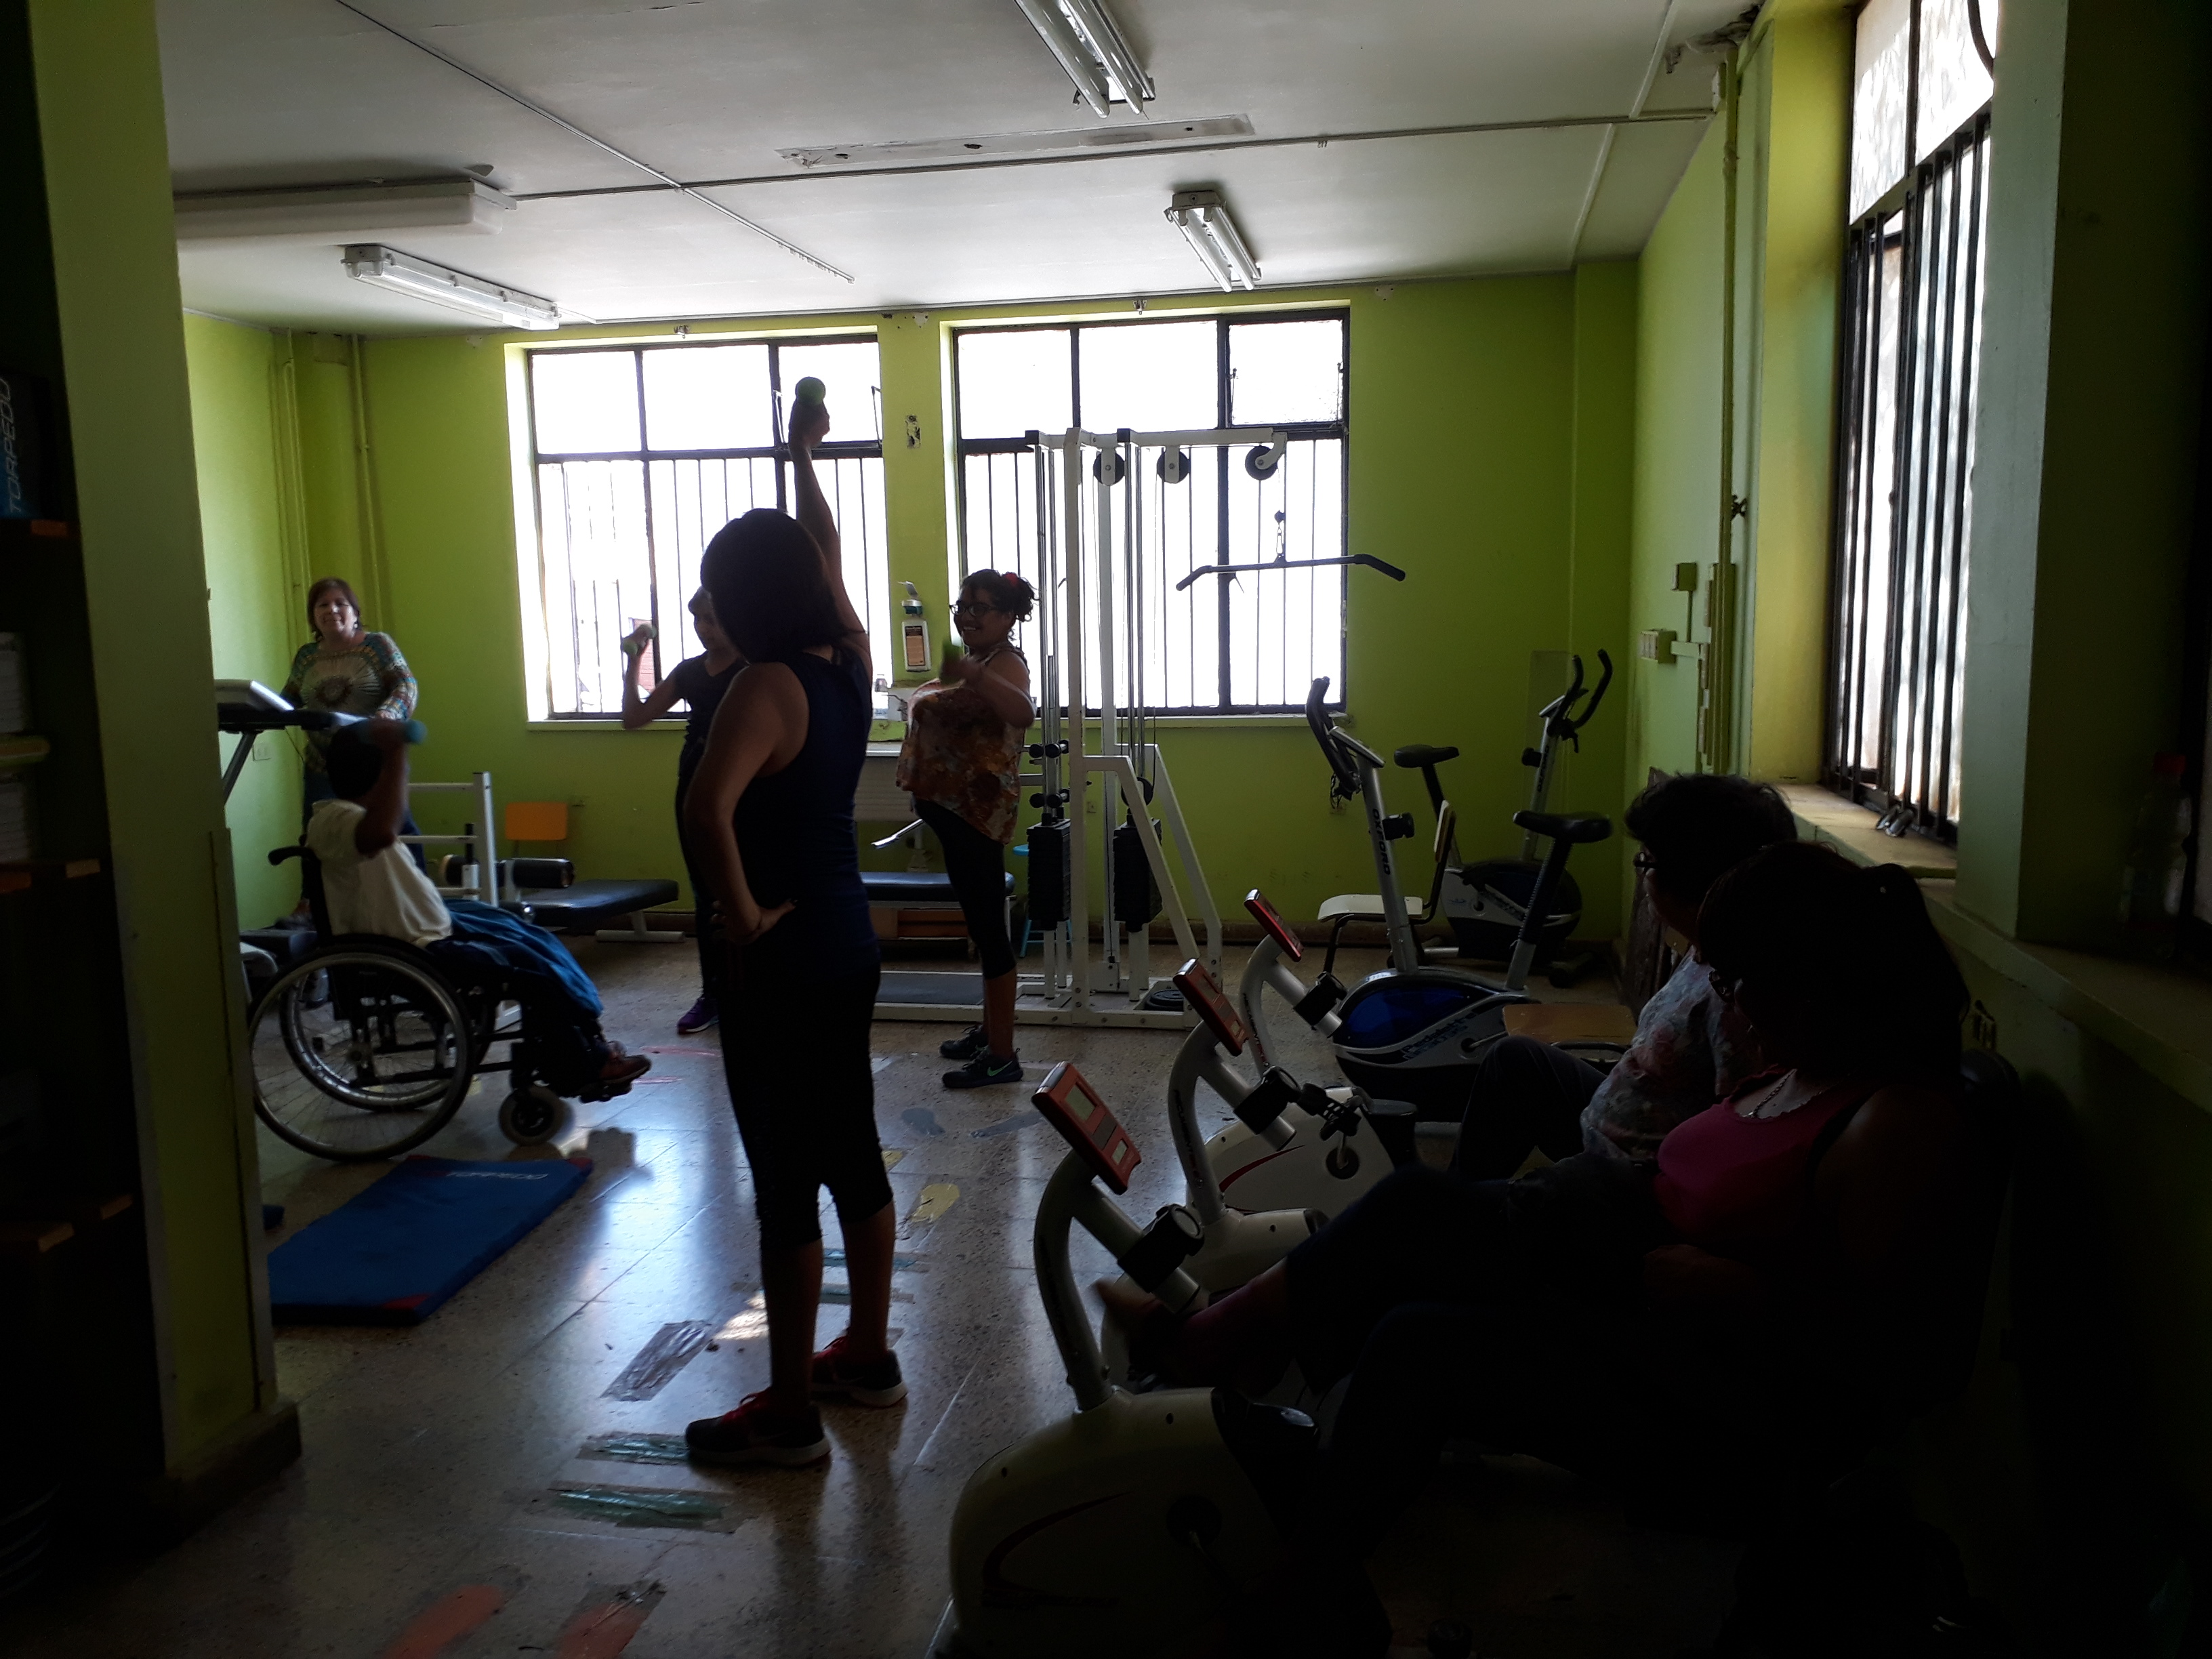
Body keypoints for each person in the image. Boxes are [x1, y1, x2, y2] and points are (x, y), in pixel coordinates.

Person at [1109, 842, 1975, 1655]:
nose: (1732, 1007)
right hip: (1630, 1273)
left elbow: (1904, 1360)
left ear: (1815, 982)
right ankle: (1288, 1462)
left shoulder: (1892, 1125)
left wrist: (1733, 1289)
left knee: (1417, 1278)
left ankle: (1272, 1475)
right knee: (1411, 1276)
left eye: (1741, 982)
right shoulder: (1798, 1066)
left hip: (1706, 1383)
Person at [681, 395, 901, 1469]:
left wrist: (739, 914)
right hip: (847, 941)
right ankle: (867, 1353)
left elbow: (704, 811)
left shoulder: (762, 685)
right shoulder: (849, 660)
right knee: (851, 1146)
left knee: (782, 1178)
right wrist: (803, 459)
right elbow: (829, 545)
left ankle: (788, 1414)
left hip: (778, 958)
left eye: (719, 590)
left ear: (747, 599)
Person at [1451, 772, 1798, 1180]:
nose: (1643, 876)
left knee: (1413, 1190)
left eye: (1646, 862)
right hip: (1609, 1125)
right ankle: (1463, 1197)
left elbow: (1735, 1145)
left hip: (1629, 1176)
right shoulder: (1710, 942)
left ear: (1687, 877)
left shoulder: (1738, 1003)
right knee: (1514, 1059)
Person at [305, 720, 651, 1100]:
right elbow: (383, 831)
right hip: (413, 949)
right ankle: (580, 1068)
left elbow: (387, 824)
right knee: (532, 971)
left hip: (431, 929)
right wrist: (396, 752)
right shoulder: (334, 819)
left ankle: (591, 1041)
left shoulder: (351, 815)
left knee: (534, 938)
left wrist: (391, 758)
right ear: (378, 776)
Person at [895, 569, 1038, 1087]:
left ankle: (1002, 1056)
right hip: (953, 814)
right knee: (981, 927)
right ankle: (989, 1030)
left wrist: (974, 676)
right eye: (963, 606)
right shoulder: (976, 661)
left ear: (1007, 616)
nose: (967, 616)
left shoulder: (1004, 663)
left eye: (980, 607)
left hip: (976, 816)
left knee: (990, 934)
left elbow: (1023, 712)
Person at [622, 590, 746, 1036]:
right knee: (705, 893)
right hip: (695, 785)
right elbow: (634, 718)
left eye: (713, 619)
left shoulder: (755, 669)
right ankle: (713, 994)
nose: (705, 629)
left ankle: (753, 989)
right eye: (699, 620)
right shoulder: (690, 672)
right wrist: (633, 663)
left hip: (746, 788)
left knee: (747, 886)